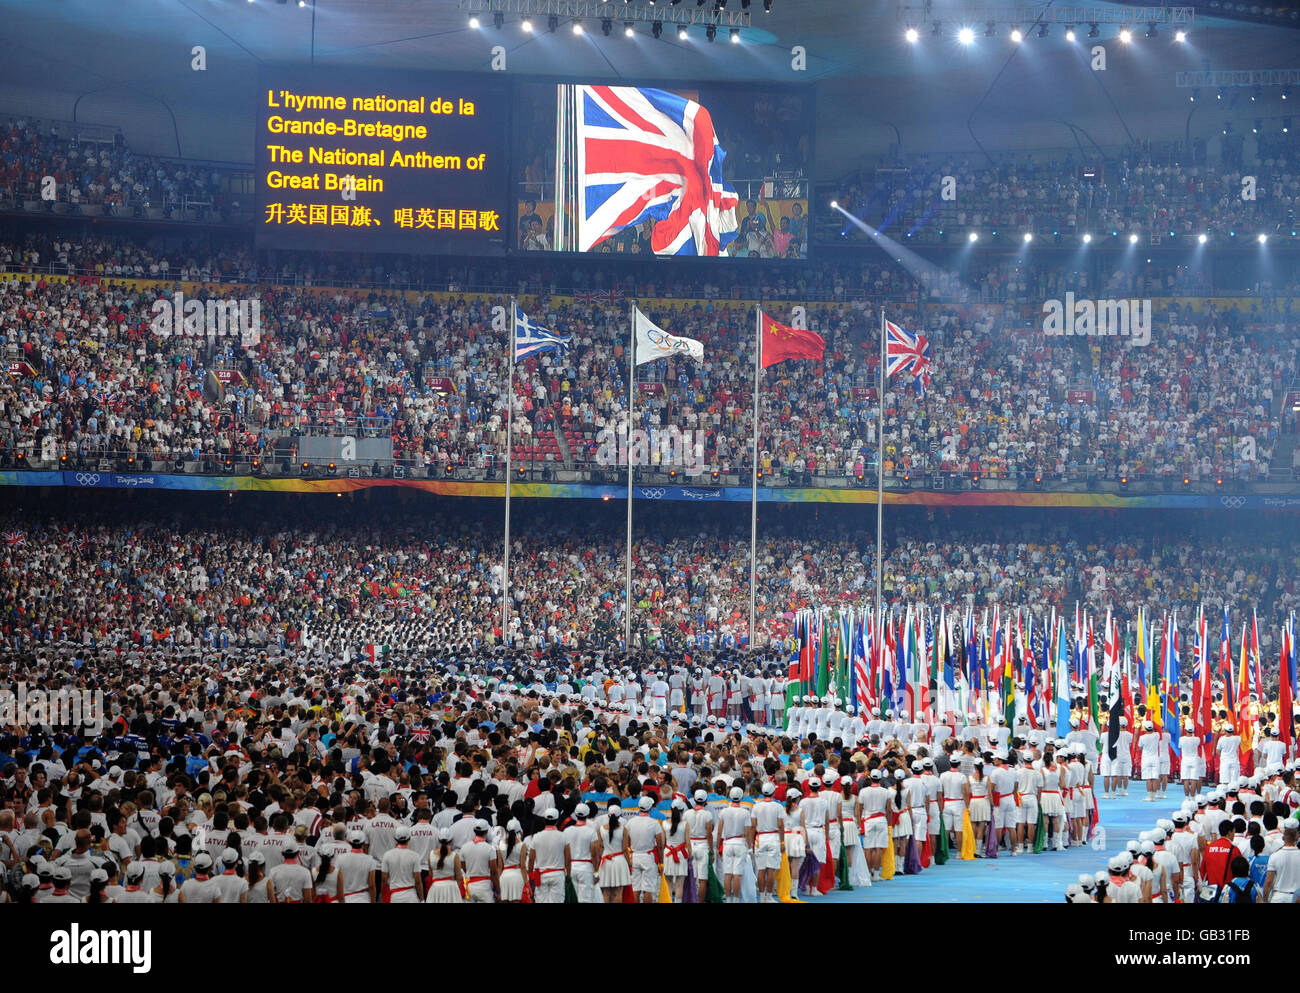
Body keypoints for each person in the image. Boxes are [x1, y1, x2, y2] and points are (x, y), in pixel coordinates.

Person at [626, 795, 665, 904]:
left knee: (636, 888)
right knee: (648, 889)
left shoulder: (630, 822)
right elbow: (660, 845)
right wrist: (661, 861)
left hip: (634, 856)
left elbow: (627, 841)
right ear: (651, 808)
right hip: (648, 857)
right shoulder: (654, 823)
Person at [1263, 820, 1300, 903]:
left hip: (1279, 897)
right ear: (1297, 838)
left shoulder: (1274, 856)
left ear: (1283, 838)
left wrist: (1265, 899)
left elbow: (1269, 881)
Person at [426, 828, 464, 904]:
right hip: (451, 888)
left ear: (438, 839)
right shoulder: (454, 855)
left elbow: (430, 874)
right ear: (451, 840)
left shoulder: (431, 854)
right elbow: (459, 877)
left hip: (435, 889)